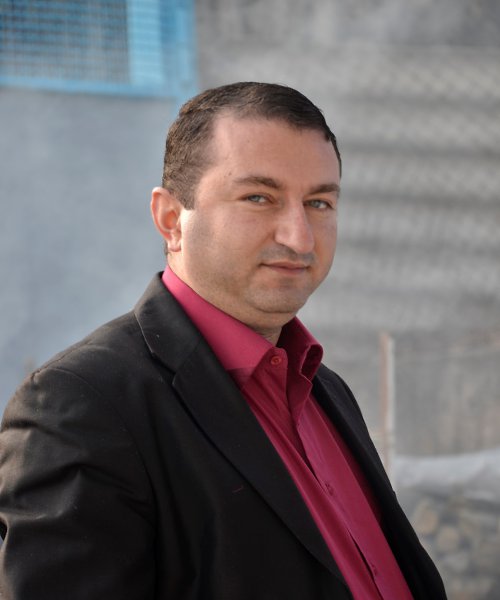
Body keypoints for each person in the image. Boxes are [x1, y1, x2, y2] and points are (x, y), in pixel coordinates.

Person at [0, 82, 446, 599]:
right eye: (259, 198)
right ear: (171, 220)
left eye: (319, 202)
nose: (300, 237)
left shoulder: (325, 388)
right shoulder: (79, 406)